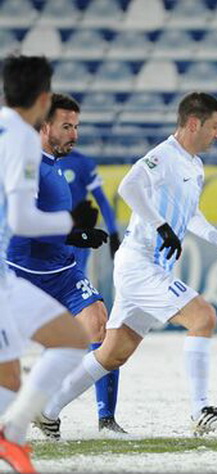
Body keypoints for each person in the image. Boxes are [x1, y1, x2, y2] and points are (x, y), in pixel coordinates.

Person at [37, 92, 217, 437]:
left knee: (113, 354)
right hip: (140, 264)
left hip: (151, 268)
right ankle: (201, 410)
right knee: (204, 317)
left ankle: (47, 410)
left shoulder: (194, 165)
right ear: (194, 123)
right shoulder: (163, 156)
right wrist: (161, 226)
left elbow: (190, 213)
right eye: (215, 127)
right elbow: (129, 187)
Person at [6, 93, 125, 437]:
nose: (74, 134)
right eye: (67, 126)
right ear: (44, 126)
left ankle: (98, 418)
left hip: (63, 271)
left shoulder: (56, 164)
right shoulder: (26, 165)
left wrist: (78, 233)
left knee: (100, 325)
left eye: (76, 126)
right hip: (22, 274)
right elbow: (20, 225)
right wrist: (72, 234)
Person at [0, 55, 90, 473]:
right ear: (43, 98)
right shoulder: (21, 138)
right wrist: (70, 221)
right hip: (6, 272)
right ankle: (12, 434)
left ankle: (12, 435)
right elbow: (21, 220)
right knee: (70, 342)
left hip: (5, 274)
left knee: (17, 376)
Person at [58, 148, 121, 267]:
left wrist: (113, 233)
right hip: (49, 231)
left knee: (76, 277)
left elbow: (102, 200)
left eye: (73, 128)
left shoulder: (81, 162)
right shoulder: (37, 160)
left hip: (78, 234)